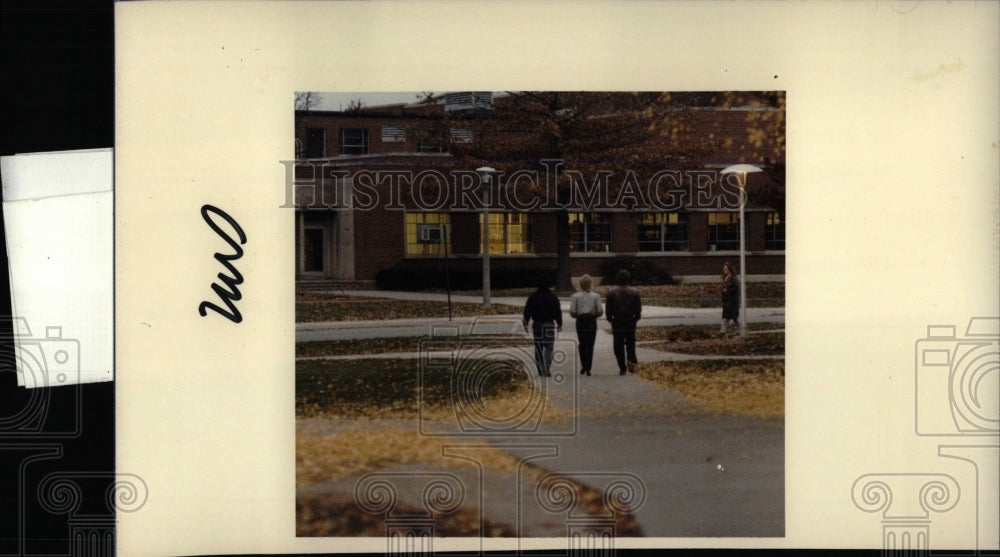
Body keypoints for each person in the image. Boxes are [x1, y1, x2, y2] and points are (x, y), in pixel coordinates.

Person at [522, 272, 562, 377]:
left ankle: (540, 368)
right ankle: (546, 367)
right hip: (549, 323)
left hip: (537, 324)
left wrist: (525, 322)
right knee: (549, 347)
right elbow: (557, 311)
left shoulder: (533, 297)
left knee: (538, 346)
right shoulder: (553, 297)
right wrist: (559, 323)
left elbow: (527, 310)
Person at [605, 269, 641, 375]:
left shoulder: (611, 292)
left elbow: (608, 308)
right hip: (630, 319)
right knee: (631, 341)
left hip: (617, 320)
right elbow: (638, 309)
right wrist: (636, 318)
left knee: (618, 344)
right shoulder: (634, 292)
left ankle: (622, 367)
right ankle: (631, 359)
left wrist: (610, 319)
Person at [569, 274, 603, 376]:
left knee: (582, 343)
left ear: (580, 284)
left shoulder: (575, 296)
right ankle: (588, 367)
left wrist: (577, 316)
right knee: (590, 344)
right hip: (591, 320)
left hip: (581, 320)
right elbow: (600, 310)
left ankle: (583, 365)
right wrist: (595, 315)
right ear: (590, 284)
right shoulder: (596, 296)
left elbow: (572, 311)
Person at [720, 262, 740, 334]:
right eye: (724, 269)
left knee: (732, 317)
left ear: (729, 269)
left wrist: (727, 290)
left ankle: (723, 331)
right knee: (727, 316)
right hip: (726, 300)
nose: (724, 270)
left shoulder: (733, 278)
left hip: (732, 301)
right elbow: (723, 288)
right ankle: (723, 330)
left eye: (726, 269)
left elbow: (736, 287)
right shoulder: (725, 278)